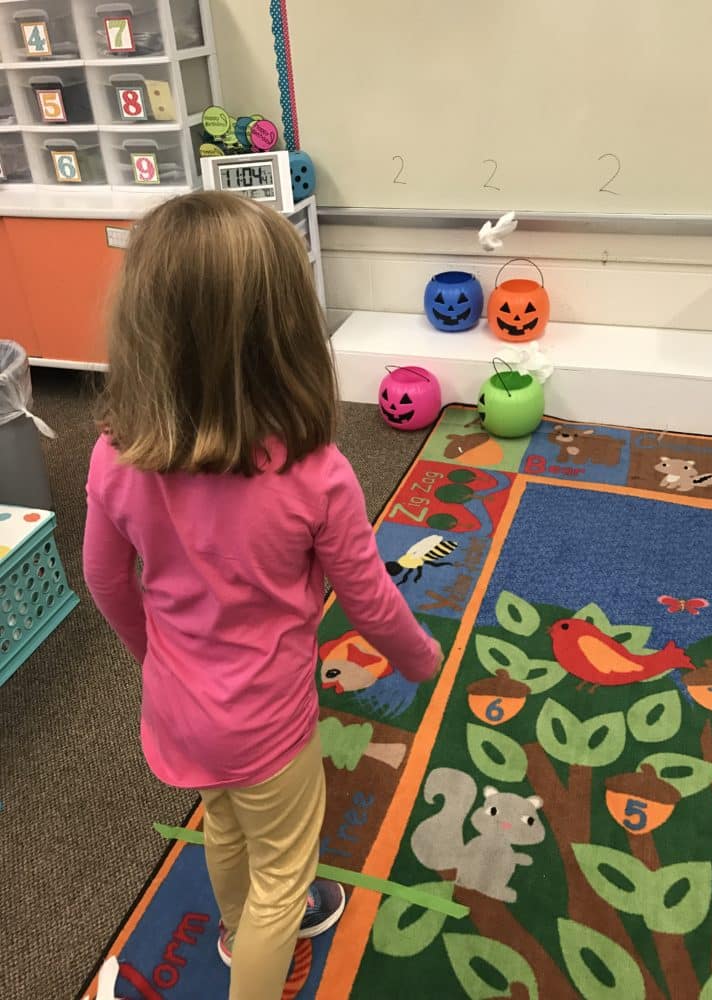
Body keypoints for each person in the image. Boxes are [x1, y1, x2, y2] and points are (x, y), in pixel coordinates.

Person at [82, 192, 442, 1000]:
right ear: (286, 332)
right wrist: (421, 659)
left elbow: (106, 578)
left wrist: (157, 659)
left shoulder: (114, 453)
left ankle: (236, 929)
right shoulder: (318, 477)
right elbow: (371, 596)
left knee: (228, 824)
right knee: (286, 870)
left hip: (178, 706)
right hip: (268, 722)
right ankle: (258, 943)